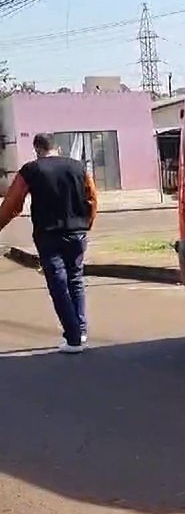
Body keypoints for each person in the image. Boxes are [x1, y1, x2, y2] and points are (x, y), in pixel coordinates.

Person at [0, 133, 98, 353]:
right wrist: (87, 223)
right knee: (75, 279)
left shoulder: (31, 169)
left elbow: (13, 203)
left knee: (58, 284)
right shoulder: (78, 167)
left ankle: (73, 339)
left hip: (48, 235)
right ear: (57, 148)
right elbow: (92, 197)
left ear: (37, 149)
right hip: (77, 232)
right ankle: (80, 332)